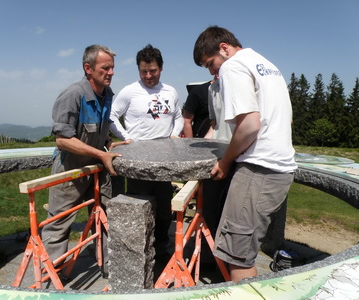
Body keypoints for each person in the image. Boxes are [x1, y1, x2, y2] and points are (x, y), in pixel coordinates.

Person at [193, 26, 297, 283]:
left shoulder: (233, 66)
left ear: (224, 48)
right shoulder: (266, 64)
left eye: (210, 63)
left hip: (258, 169)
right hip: (279, 168)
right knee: (245, 250)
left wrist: (226, 161)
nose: (212, 72)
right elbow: (288, 120)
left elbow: (250, 124)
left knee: (236, 255)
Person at [41, 44, 125, 278]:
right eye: (106, 68)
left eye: (112, 68)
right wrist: (101, 154)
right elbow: (62, 140)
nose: (111, 72)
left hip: (97, 168)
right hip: (70, 169)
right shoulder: (73, 95)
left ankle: (111, 268)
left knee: (105, 216)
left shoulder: (107, 94)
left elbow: (97, 130)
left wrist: (108, 145)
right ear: (88, 68)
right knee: (60, 221)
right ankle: (52, 276)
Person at [110, 44, 184, 262]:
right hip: (137, 160)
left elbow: (178, 116)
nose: (148, 76)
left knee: (162, 211)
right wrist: (125, 138)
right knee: (139, 209)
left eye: (153, 71)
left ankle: (161, 250)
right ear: (138, 69)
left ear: (161, 68)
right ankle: (138, 252)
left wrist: (175, 134)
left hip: (164, 160)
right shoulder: (130, 91)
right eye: (144, 71)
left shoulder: (170, 91)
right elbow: (112, 115)